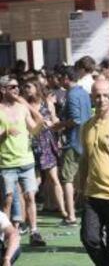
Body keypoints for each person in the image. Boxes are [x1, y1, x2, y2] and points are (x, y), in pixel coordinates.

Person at [79, 80, 109, 266]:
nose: (101, 99)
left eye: (106, 95)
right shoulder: (87, 126)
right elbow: (84, 159)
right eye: (97, 95)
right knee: (90, 240)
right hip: (92, 194)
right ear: (92, 97)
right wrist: (80, 188)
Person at [0, 76, 46, 246]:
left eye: (17, 86)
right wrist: (5, 133)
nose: (17, 90)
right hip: (6, 163)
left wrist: (31, 109)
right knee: (7, 199)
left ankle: (34, 232)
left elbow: (34, 129)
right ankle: (4, 234)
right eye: (12, 87)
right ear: (3, 90)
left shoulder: (22, 108)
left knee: (30, 196)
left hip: (26, 160)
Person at [22, 77, 67, 220]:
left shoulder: (46, 102)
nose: (26, 89)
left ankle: (64, 211)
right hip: (32, 143)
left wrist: (56, 124)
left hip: (47, 142)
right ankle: (27, 213)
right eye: (25, 87)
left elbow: (54, 119)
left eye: (29, 86)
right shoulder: (24, 105)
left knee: (54, 178)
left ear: (36, 87)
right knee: (35, 181)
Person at [56, 66, 92, 225]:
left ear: (65, 77)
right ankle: (78, 210)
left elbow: (76, 119)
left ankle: (71, 215)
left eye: (59, 77)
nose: (57, 81)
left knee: (67, 179)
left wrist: (59, 125)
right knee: (80, 178)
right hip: (85, 140)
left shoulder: (71, 95)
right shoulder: (83, 93)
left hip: (73, 141)